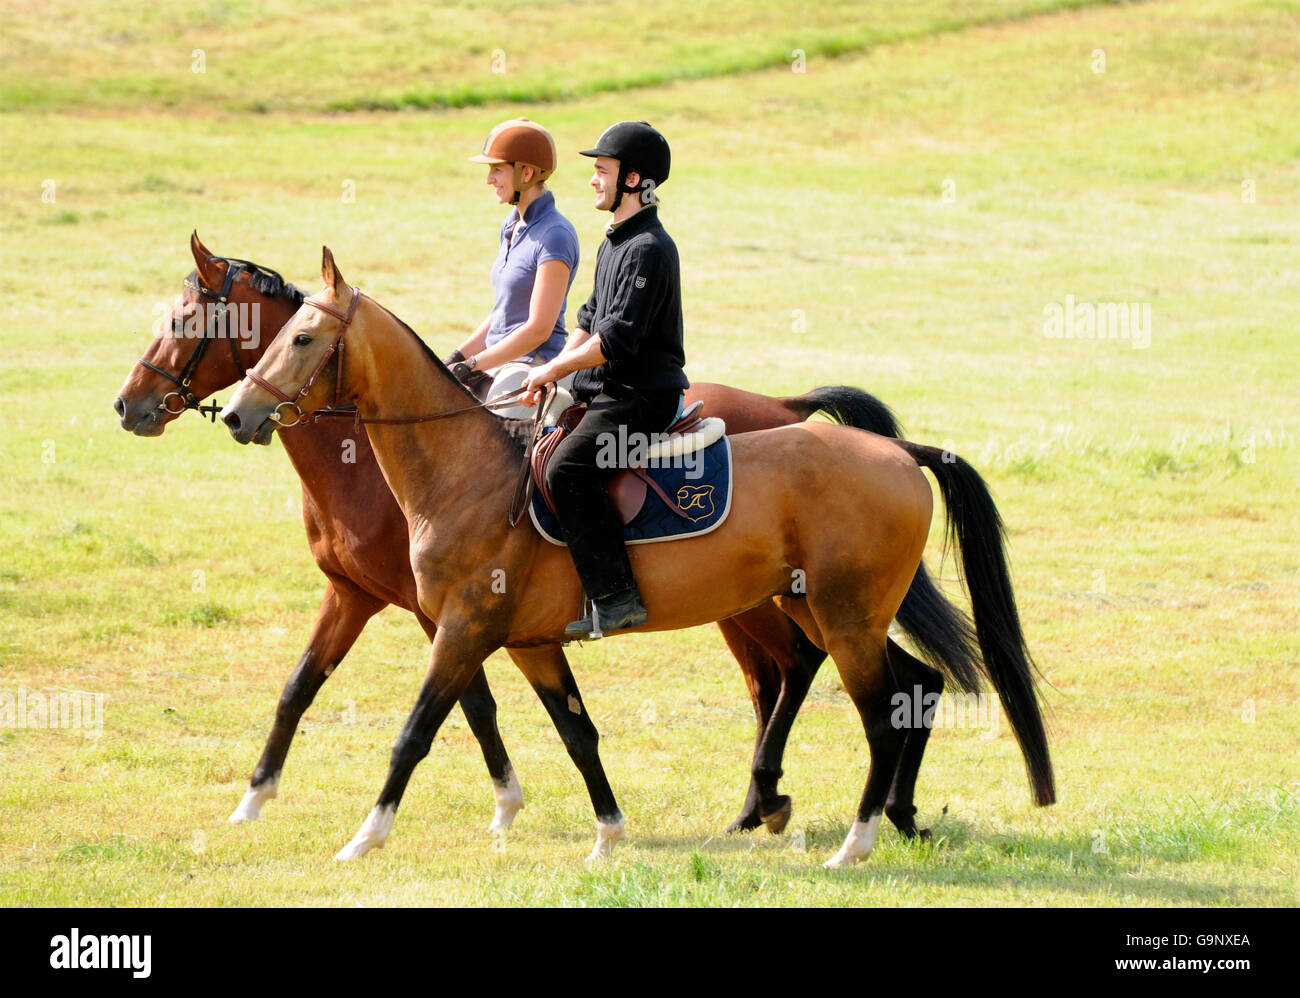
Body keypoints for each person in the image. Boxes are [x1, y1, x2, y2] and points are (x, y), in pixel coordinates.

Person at [521, 121, 687, 638]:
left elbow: (614, 342)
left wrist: (553, 367)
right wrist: (553, 374)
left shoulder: (649, 249)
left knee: (567, 470)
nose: (593, 181)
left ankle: (617, 599)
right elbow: (588, 321)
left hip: (641, 399)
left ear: (633, 179)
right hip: (605, 392)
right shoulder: (616, 241)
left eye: (602, 171)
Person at [444, 118, 580, 415]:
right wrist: (457, 357)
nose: (489, 179)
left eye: (497, 169)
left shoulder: (554, 235)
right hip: (498, 363)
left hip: (532, 367)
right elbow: (502, 315)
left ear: (526, 172)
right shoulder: (512, 226)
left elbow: (538, 330)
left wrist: (472, 365)